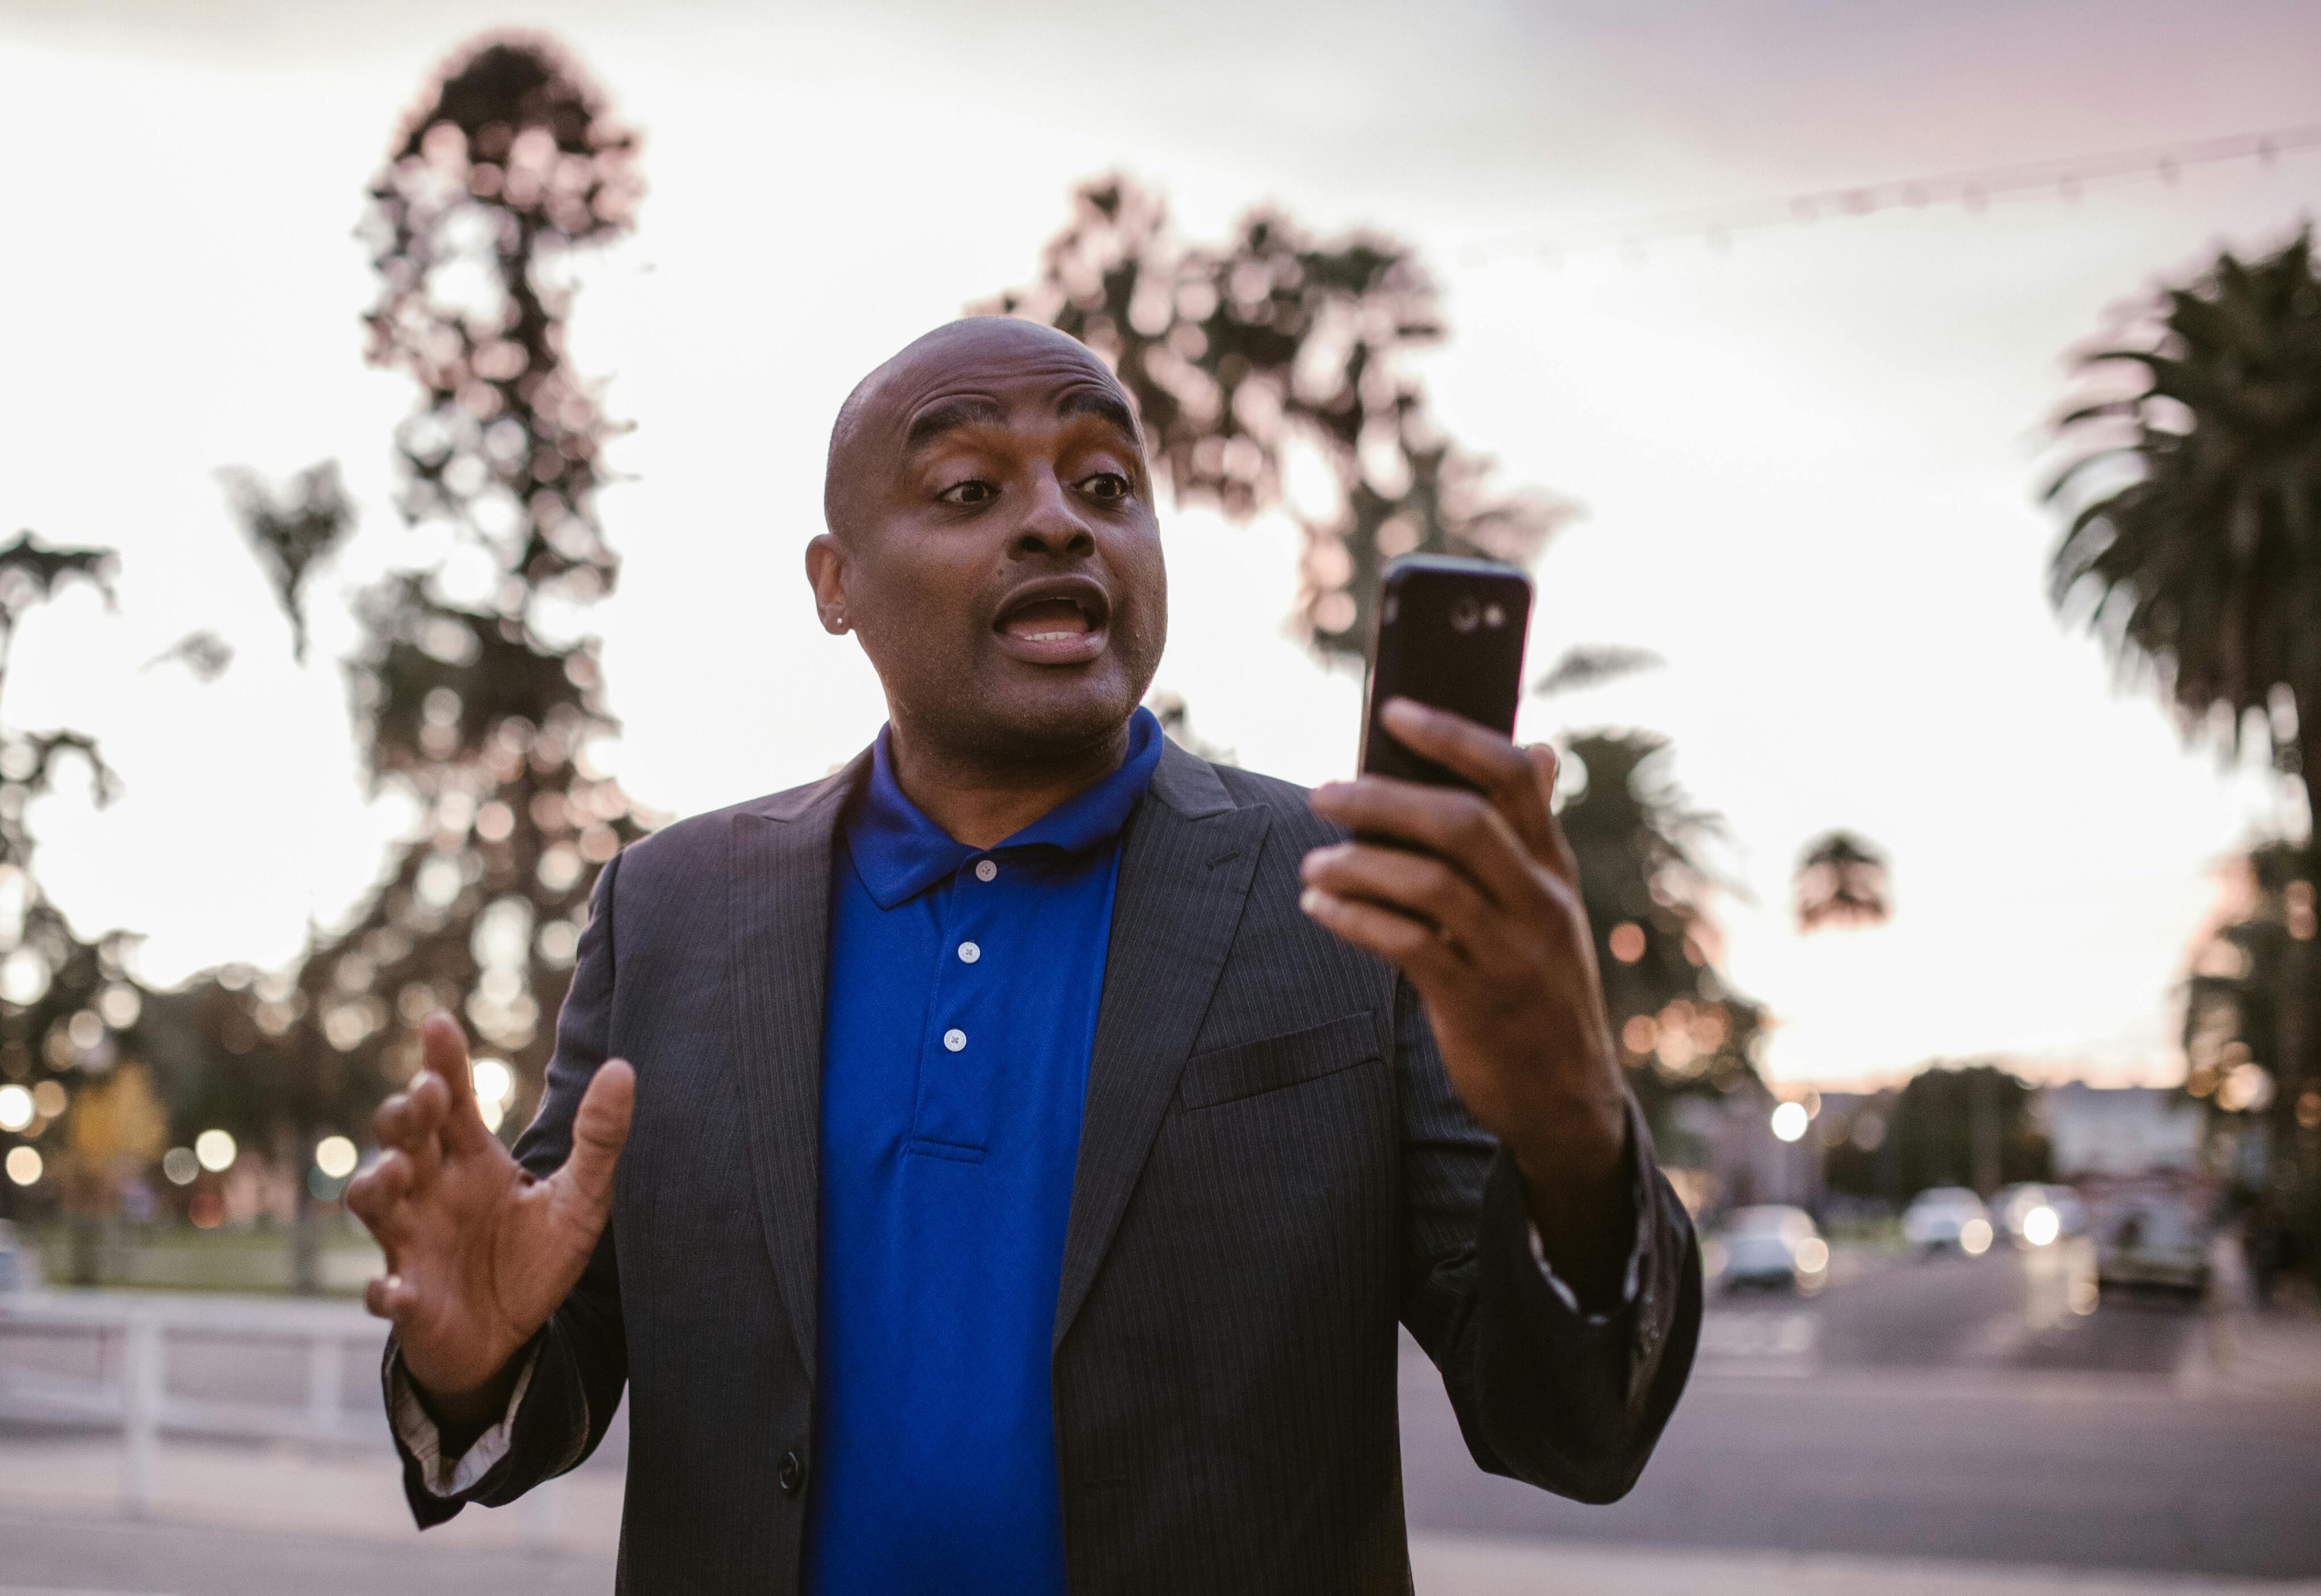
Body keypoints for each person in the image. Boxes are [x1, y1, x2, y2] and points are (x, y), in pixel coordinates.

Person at [345, 316, 1700, 1593]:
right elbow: (554, 1342)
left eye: (1106, 482)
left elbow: (1572, 1430)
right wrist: (474, 1360)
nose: (1059, 517)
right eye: (966, 490)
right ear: (837, 584)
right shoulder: (673, 906)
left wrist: (1574, 1124)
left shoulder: (1350, 899)